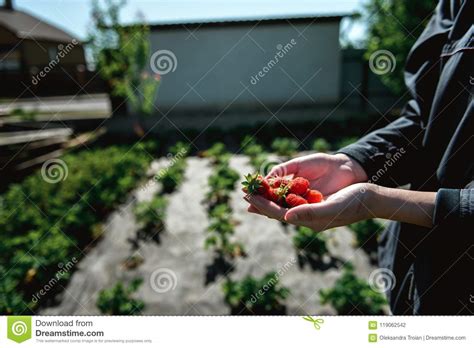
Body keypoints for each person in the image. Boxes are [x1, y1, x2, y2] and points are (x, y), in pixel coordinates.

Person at [244, 0, 473, 315]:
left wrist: (378, 201)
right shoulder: (455, 5)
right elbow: (426, 116)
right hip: (420, 283)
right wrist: (353, 162)